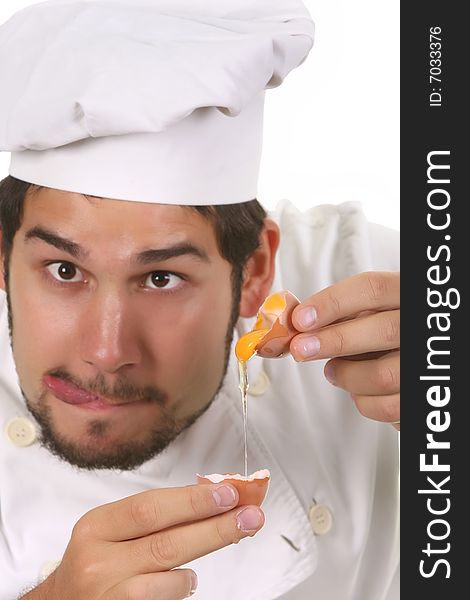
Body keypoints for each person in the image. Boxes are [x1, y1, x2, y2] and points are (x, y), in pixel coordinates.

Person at [0, 1, 400, 598]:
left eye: (161, 279)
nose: (107, 352)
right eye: (64, 269)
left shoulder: (362, 277)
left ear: (255, 271)